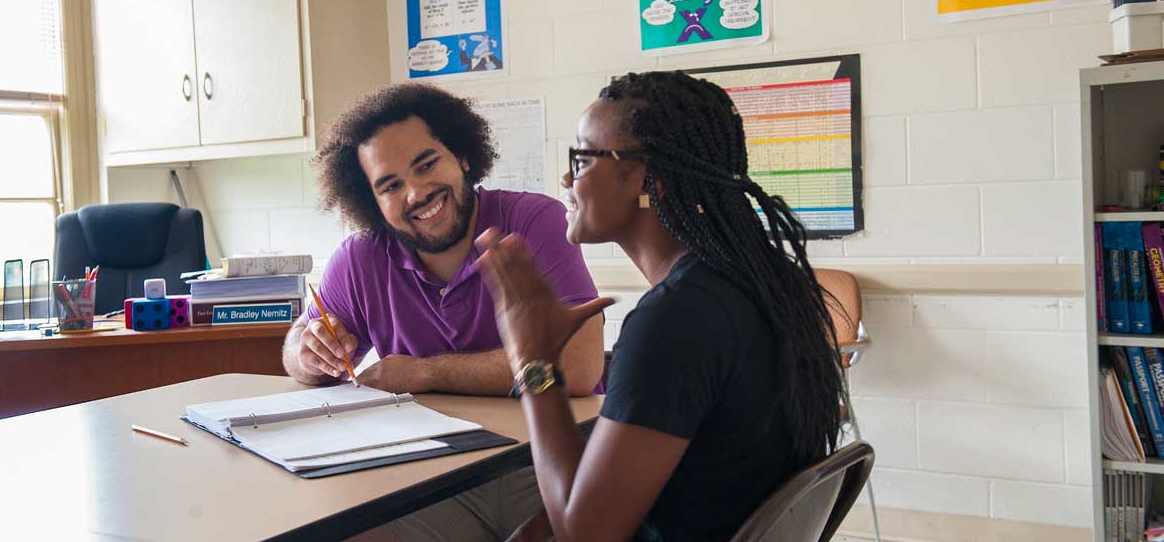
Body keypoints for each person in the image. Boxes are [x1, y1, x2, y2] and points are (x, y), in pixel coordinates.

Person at [475, 71, 848, 541]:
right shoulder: (755, 282)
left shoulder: (677, 319)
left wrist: (533, 361)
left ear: (647, 179)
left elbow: (584, 536)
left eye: (583, 158)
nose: (568, 177)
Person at [282, 83, 606, 542]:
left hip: (545, 467)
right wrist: (307, 348)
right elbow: (299, 355)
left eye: (426, 164)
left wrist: (423, 373)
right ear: (370, 203)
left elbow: (578, 365)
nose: (415, 192)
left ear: (463, 157)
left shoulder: (534, 220)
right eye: (390, 186)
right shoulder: (360, 257)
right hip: (430, 481)